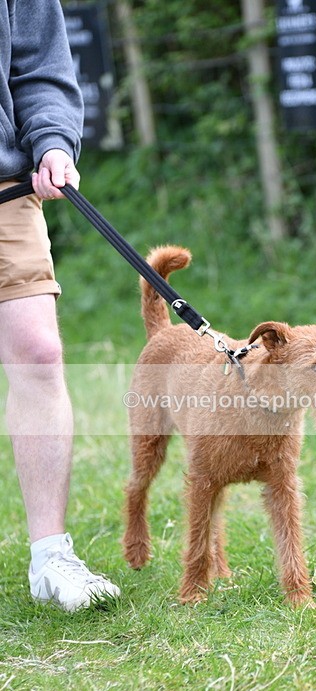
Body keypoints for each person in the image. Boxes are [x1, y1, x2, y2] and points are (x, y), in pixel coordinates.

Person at [0, 0, 120, 611]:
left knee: (40, 353)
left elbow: (39, 62)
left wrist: (51, 139)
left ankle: (51, 556)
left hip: (4, 189)